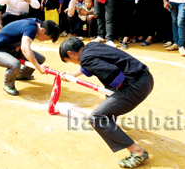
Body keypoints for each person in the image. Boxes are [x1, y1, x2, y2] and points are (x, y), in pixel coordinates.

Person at [59, 37, 153, 168]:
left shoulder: (85, 59)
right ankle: (113, 130)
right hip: (146, 79)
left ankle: (137, 152)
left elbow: (114, 75)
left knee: (97, 117)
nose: (75, 64)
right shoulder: (91, 47)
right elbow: (89, 66)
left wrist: (117, 91)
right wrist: (72, 75)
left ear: (71, 53)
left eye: (70, 61)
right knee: (108, 92)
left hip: (135, 87)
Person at [0, 18, 59, 95]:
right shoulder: (31, 28)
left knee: (40, 59)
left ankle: (22, 74)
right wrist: (38, 67)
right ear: (42, 30)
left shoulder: (38, 24)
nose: (43, 41)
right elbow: (25, 48)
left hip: (14, 49)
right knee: (15, 64)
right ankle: (8, 84)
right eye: (45, 39)